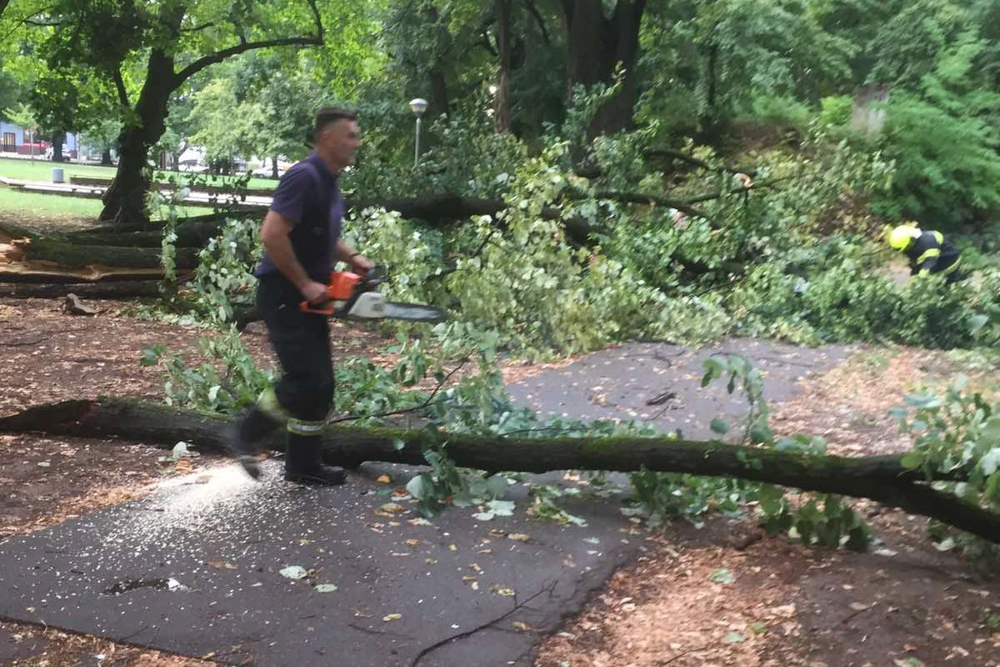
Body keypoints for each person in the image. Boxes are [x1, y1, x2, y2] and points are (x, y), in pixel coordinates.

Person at [227, 108, 373, 485]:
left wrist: (353, 257)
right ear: (327, 138)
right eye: (351, 135)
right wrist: (306, 282)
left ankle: (303, 465)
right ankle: (244, 433)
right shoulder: (303, 176)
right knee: (307, 379)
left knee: (322, 385)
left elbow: (324, 233)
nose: (357, 142)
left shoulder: (329, 182)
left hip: (312, 297)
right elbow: (272, 233)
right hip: (284, 292)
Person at [887, 224, 965, 284]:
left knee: (939, 291)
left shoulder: (929, 240)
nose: (906, 252)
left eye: (906, 248)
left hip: (949, 263)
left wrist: (920, 278)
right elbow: (917, 262)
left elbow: (931, 261)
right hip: (938, 262)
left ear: (911, 240)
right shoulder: (912, 244)